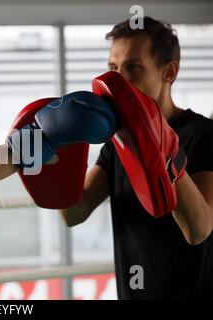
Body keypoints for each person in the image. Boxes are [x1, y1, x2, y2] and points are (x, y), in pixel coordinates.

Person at [59, 17, 213, 299]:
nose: (119, 80)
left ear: (169, 72)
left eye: (133, 67)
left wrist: (162, 148)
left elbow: (199, 229)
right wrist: (60, 151)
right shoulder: (117, 142)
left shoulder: (204, 136)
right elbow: (73, 212)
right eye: (113, 69)